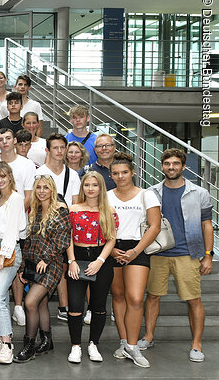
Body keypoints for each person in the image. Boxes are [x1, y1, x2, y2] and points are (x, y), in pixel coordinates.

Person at [141, 148, 214, 363]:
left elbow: (207, 226)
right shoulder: (152, 192)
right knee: (153, 296)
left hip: (188, 254)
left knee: (193, 299)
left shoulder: (199, 193)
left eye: (175, 163)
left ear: (183, 166)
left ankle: (197, 345)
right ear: (162, 166)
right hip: (158, 253)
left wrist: (208, 255)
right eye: (167, 163)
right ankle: (148, 336)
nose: (171, 167)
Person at [105, 152, 159, 368]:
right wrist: (110, 251)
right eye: (116, 173)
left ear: (133, 172)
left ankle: (134, 346)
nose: (120, 177)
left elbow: (154, 226)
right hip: (112, 247)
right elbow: (99, 225)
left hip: (138, 248)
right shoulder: (106, 196)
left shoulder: (147, 195)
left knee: (135, 298)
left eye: (124, 172)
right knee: (117, 296)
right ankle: (124, 342)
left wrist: (136, 251)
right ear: (110, 175)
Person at [13, 175, 70, 363]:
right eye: (38, 187)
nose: (42, 191)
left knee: (30, 302)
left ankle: (29, 346)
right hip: (33, 265)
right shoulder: (34, 211)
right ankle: (47, 340)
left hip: (51, 265)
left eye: (46, 187)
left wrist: (46, 259)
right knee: (42, 303)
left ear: (52, 190)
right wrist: (22, 268)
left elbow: (63, 240)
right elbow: (28, 242)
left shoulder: (60, 211)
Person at [66, 172, 118, 364]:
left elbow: (111, 238)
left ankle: (93, 344)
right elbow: (68, 237)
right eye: (87, 185)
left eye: (94, 185)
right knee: (75, 305)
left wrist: (100, 261)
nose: (90, 188)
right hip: (77, 259)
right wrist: (71, 261)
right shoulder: (73, 209)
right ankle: (75, 346)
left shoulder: (109, 210)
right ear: (82, 187)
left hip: (101, 261)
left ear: (100, 188)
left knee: (98, 306)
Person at [0, 161, 26, 364]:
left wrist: (3, 256)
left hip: (9, 251)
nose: (0, 180)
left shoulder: (16, 198)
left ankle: (7, 345)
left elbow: (11, 230)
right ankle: (3, 337)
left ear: (10, 176)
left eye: (3, 175)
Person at [0, 128, 36, 208]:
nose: (5, 142)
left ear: (15, 140)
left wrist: (17, 215)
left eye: (8, 138)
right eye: (0, 140)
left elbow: (29, 196)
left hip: (19, 216)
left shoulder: (28, 164)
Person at [36, 133, 80, 206]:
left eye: (62, 147)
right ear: (47, 150)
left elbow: (76, 203)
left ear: (66, 149)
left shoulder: (73, 174)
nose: (59, 151)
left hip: (67, 215)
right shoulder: (38, 173)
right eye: (55, 148)